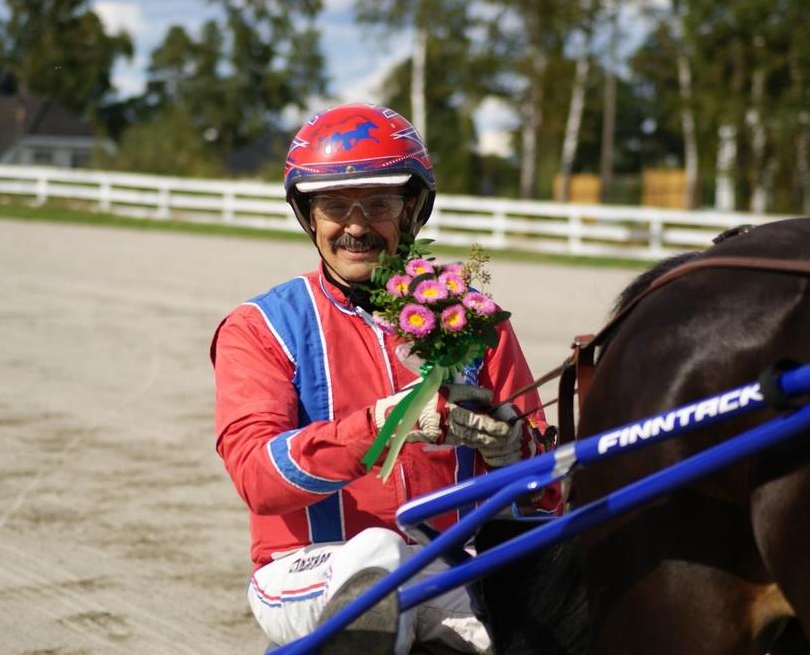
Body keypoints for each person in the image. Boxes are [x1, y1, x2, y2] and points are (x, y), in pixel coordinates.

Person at [210, 103, 557, 654]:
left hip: (448, 569)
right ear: (308, 216)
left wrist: (516, 450)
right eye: (333, 205)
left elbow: (545, 498)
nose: (355, 224)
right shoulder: (261, 328)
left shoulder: (472, 318)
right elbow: (258, 475)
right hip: (306, 570)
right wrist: (386, 425)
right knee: (379, 555)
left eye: (378, 203)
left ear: (412, 209)